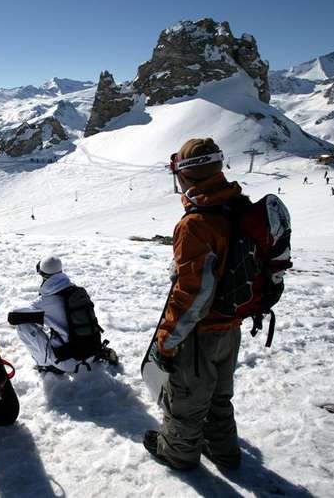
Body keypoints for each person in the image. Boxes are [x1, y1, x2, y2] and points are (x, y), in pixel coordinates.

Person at [142, 138, 244, 471]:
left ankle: (178, 454)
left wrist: (167, 340)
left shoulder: (195, 225)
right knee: (219, 395)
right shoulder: (237, 206)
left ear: (184, 175)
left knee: (186, 399)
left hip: (200, 333)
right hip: (231, 325)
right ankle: (223, 450)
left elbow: (194, 294)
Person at [7, 256, 117, 374]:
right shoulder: (77, 291)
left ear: (43, 275)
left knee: (23, 326)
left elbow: (12, 317)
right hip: (92, 350)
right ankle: (101, 352)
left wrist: (37, 316)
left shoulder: (45, 302)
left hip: (68, 360)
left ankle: (46, 365)